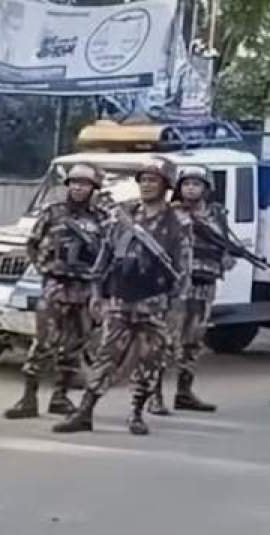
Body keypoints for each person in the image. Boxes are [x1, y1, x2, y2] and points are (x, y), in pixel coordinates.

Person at [55, 159, 192, 436]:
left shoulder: (178, 221)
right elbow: (106, 253)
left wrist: (177, 305)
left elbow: (184, 266)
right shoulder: (124, 214)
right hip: (120, 298)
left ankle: (137, 413)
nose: (147, 185)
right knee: (106, 356)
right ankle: (85, 412)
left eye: (153, 180)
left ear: (165, 186)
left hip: (155, 301)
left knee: (150, 359)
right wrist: (97, 293)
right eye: (143, 180)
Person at [5, 163, 107, 419]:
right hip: (55, 286)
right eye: (74, 183)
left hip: (84, 288)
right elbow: (32, 244)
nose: (78, 188)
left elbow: (109, 254)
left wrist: (100, 288)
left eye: (84, 184)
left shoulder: (101, 218)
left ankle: (60, 398)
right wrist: (45, 269)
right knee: (43, 343)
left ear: (93, 188)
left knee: (74, 346)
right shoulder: (53, 212)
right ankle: (28, 399)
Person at [148, 165, 232, 413]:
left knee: (193, 342)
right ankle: (155, 395)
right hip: (176, 288)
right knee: (166, 341)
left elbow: (224, 241)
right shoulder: (171, 213)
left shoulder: (216, 214)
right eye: (186, 184)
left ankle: (184, 393)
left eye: (196, 184)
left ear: (206, 189)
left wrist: (225, 257)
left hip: (204, 285)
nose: (191, 188)